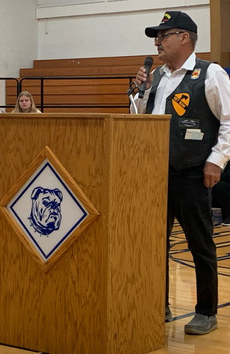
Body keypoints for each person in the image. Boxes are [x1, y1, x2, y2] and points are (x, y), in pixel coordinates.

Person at [132, 11, 230, 335]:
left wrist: (217, 160)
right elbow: (143, 123)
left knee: (199, 244)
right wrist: (138, 93)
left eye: (164, 34)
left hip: (192, 173)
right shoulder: (158, 77)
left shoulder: (210, 74)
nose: (158, 41)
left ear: (184, 38)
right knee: (153, 244)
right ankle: (157, 304)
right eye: (156, 37)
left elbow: (229, 121)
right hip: (156, 175)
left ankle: (206, 311)